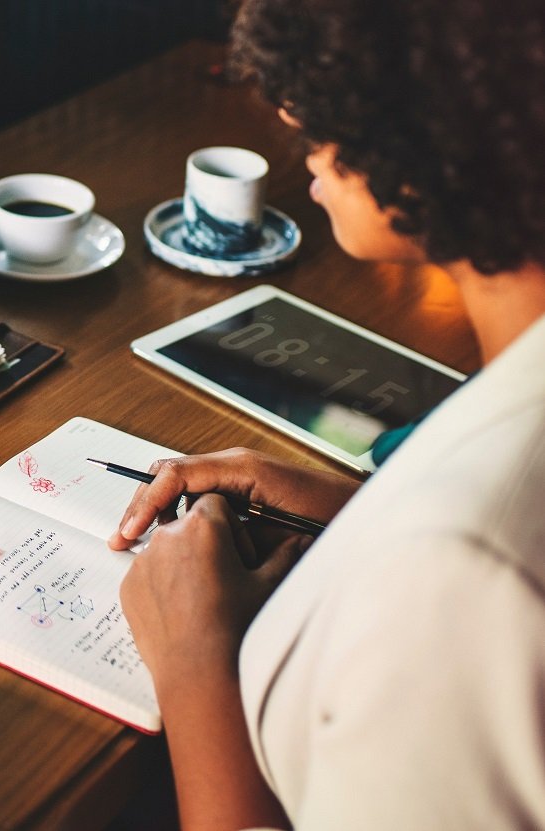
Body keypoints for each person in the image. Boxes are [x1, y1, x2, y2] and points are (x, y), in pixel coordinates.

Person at [108, 0, 545, 828]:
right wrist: (362, 516)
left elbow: (478, 576)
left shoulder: (465, 574)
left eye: (330, 75)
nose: (287, 110)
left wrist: (197, 666)